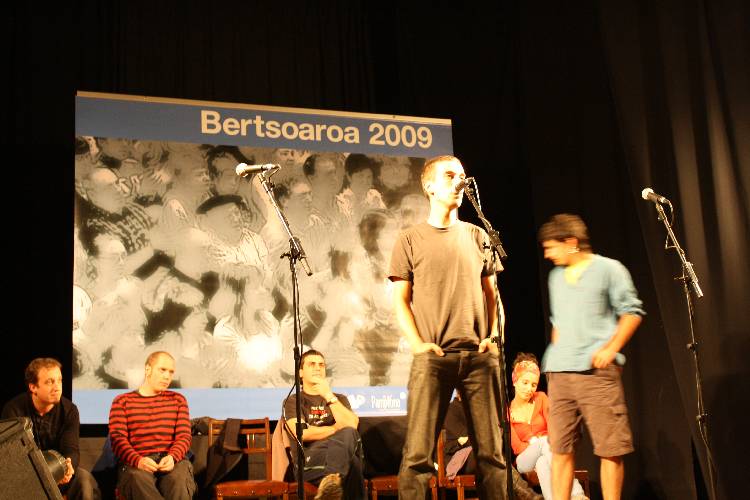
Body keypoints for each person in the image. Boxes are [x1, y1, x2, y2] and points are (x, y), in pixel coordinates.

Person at [390, 154, 532, 499]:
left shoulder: (478, 235)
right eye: (450, 176)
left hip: (479, 359)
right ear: (429, 187)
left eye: (462, 176)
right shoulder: (409, 239)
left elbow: (493, 297)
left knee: (493, 457)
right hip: (433, 358)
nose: (459, 182)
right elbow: (400, 301)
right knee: (418, 457)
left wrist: (493, 338)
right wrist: (418, 344)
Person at [538, 214, 644, 500]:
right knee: (560, 449)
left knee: (610, 449)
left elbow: (632, 312)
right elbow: (558, 322)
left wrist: (611, 349)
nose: (547, 255)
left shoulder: (610, 269)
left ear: (571, 242)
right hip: (559, 374)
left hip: (595, 373)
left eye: (551, 247)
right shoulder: (555, 278)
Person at [1, 358, 101, 500]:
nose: (57, 387)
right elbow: (11, 457)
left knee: (84, 480)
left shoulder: (70, 410)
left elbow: (71, 450)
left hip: (59, 472)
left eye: (59, 380)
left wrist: (67, 467)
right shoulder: (14, 410)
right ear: (33, 387)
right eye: (49, 382)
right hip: (26, 476)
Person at [108, 351, 195, 499]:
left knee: (178, 479)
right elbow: (118, 440)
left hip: (171, 460)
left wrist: (173, 457)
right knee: (136, 478)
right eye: (162, 370)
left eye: (171, 372)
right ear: (148, 369)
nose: (167, 376)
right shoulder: (122, 401)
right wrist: (138, 460)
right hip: (137, 463)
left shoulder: (178, 400)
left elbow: (184, 436)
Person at [283, 349, 365, 500]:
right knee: (351, 463)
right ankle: (333, 479)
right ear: (300, 373)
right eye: (312, 364)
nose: (317, 368)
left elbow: (352, 425)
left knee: (351, 455)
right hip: (308, 463)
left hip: (336, 459)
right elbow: (303, 433)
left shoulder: (339, 399)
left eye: (321, 365)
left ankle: (331, 482)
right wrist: (336, 428)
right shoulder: (293, 401)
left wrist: (328, 395)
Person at [509, 353, 587, 500]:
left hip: (548, 454)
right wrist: (538, 444)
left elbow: (554, 428)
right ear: (515, 381)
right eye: (525, 383)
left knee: (542, 462)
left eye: (533, 385)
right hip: (524, 461)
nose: (529, 388)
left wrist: (543, 447)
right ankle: (576, 492)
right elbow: (517, 447)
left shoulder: (541, 398)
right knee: (545, 442)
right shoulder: (507, 411)